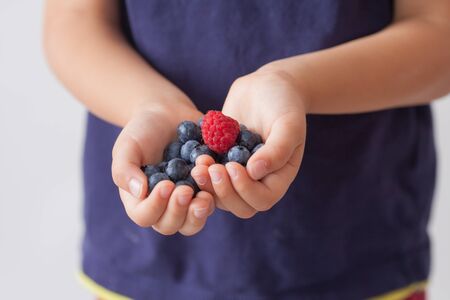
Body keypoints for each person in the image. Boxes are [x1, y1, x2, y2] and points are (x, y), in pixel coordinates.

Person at [43, 0, 450, 299]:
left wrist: (297, 83)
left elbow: (440, 33)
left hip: (354, 243)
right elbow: (73, 21)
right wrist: (148, 103)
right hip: (146, 262)